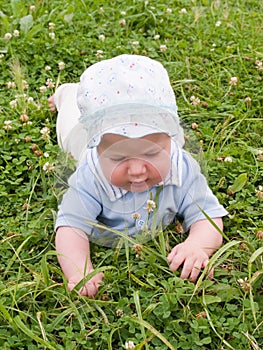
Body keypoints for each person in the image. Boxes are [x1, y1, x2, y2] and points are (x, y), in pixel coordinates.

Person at [49, 54, 228, 298]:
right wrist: (79, 271)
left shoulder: (181, 166)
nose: (136, 170)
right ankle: (67, 93)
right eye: (118, 158)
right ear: (99, 151)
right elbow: (70, 227)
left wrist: (197, 245)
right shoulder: (91, 173)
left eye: (151, 153)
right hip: (78, 137)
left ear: (169, 141)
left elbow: (208, 216)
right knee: (68, 122)